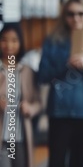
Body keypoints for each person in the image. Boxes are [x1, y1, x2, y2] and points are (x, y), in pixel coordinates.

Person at [38, 0, 83, 167]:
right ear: (64, 16)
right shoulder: (53, 40)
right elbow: (42, 76)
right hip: (59, 112)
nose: (76, 18)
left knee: (78, 161)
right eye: (70, 14)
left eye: (81, 13)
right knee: (56, 161)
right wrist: (65, 64)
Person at [0, 24, 41, 167]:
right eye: (4, 40)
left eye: (14, 40)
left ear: (21, 43)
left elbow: (38, 103)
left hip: (20, 135)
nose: (9, 45)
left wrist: (30, 108)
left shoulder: (27, 71)